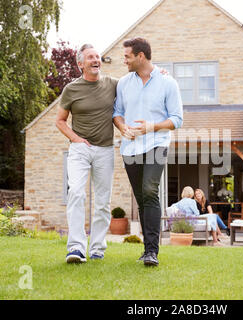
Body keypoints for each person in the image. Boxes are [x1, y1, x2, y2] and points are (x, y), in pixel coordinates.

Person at [113, 38, 183, 267]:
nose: (124, 60)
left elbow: (177, 119)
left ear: (140, 56)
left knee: (150, 190)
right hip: (130, 147)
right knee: (142, 199)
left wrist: (151, 126)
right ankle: (147, 249)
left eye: (127, 56)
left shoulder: (167, 82)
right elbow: (117, 112)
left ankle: (153, 251)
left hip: (157, 143)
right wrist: (122, 127)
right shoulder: (123, 83)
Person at [56, 44, 117, 263]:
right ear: (80, 64)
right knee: (76, 194)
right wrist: (76, 139)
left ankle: (97, 247)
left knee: (102, 201)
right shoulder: (72, 89)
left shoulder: (112, 84)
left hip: (105, 149)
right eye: (90, 57)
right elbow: (60, 121)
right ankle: (75, 248)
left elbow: (138, 84)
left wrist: (159, 73)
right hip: (80, 149)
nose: (95, 60)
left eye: (97, 57)